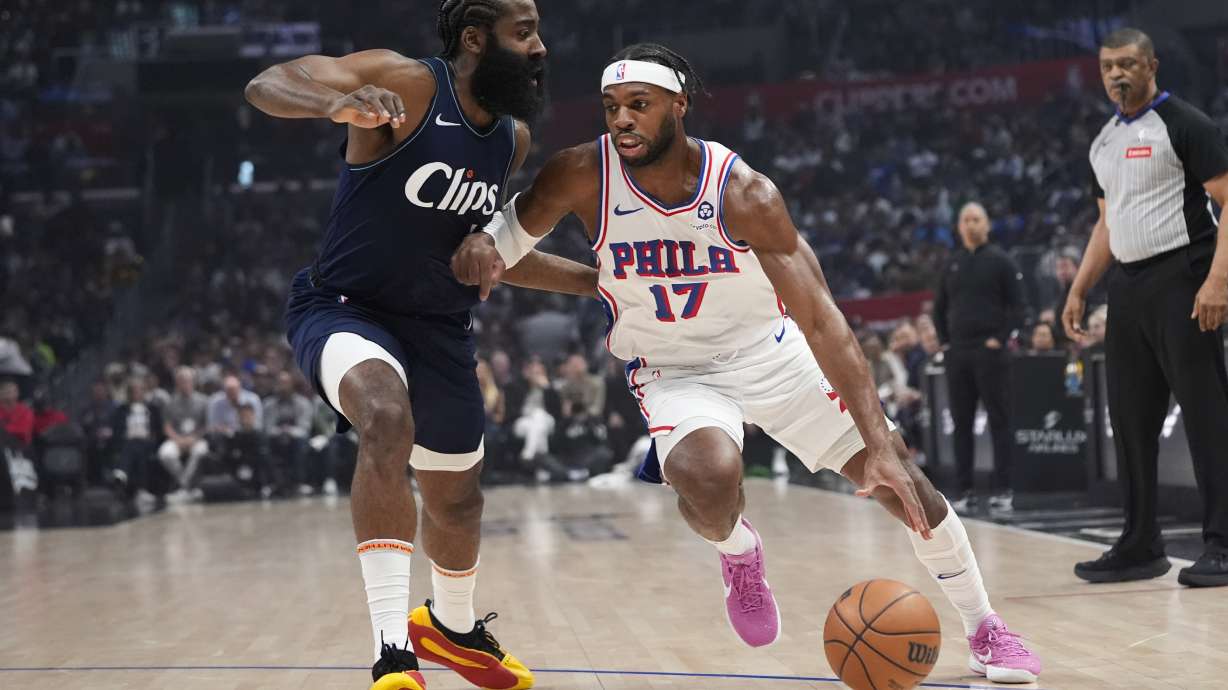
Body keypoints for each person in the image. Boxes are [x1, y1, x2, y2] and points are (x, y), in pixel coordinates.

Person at [452, 43, 1041, 684]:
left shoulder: (744, 193)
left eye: (639, 104)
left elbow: (822, 320)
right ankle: (740, 552)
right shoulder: (580, 173)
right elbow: (498, 250)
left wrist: (878, 443)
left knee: (906, 484)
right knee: (707, 481)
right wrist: (568, 273)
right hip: (674, 369)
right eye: (611, 106)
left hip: (772, 353)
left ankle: (985, 627)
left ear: (679, 105)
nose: (622, 119)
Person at [244, 1, 595, 687]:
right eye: (524, 32)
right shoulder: (407, 83)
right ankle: (392, 649)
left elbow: (496, 255)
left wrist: (596, 283)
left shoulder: (512, 140)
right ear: (476, 38)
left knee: (458, 501)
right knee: (384, 417)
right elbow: (268, 84)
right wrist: (335, 102)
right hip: (346, 309)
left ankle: (452, 627)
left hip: (440, 327)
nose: (540, 48)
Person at [1063, 28, 1228, 588]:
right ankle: (1140, 545)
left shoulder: (1185, 124)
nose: (1116, 73)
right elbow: (1106, 224)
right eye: (1108, 65)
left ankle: (1223, 542)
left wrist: (1217, 281)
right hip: (1128, 288)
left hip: (1184, 276)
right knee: (1130, 420)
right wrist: (1079, 288)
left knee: (1206, 414)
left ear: (1151, 65)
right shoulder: (1103, 141)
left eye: (1127, 63)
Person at [933, 202, 1028, 515]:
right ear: (959, 226)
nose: (971, 224)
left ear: (986, 224)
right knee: (961, 423)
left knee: (1000, 421)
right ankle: (964, 491)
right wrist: (946, 343)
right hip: (958, 353)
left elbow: (1019, 307)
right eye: (965, 220)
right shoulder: (952, 263)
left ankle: (1004, 489)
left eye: (976, 219)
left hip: (990, 353)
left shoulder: (1001, 261)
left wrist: (999, 339)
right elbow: (938, 308)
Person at [158, 366, 210, 501]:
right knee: (165, 454)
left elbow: (206, 425)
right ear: (177, 383)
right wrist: (178, 440)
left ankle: (183, 489)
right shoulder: (170, 402)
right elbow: (167, 427)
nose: (185, 384)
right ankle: (188, 487)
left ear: (193, 382)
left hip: (197, 439)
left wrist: (194, 438)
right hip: (177, 439)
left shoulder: (204, 401)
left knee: (200, 452)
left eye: (187, 380)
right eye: (181, 381)